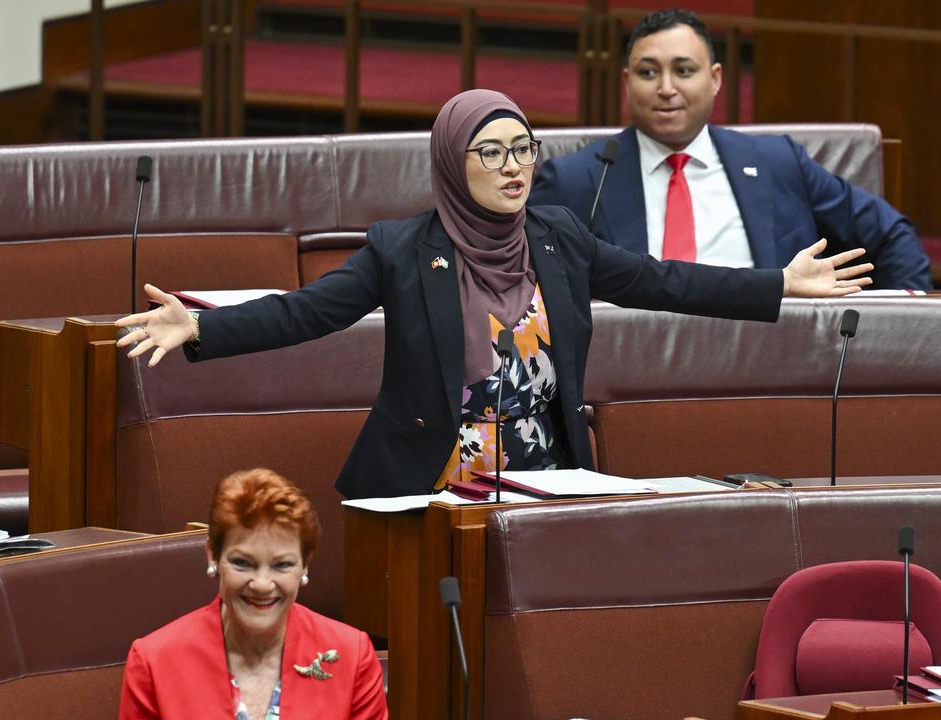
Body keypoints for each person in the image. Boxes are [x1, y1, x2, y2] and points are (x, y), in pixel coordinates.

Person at [115, 89, 871, 499]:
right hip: (432, 486)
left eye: (523, 149)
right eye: (491, 152)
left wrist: (777, 284)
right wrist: (202, 329)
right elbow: (307, 312)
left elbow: (662, 280)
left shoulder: (558, 238)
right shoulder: (404, 249)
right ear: (453, 162)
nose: (514, 167)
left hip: (545, 478)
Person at [529, 8, 931, 291]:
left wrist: (905, 326)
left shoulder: (778, 163)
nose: (666, 88)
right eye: (649, 72)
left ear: (716, 78)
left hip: (772, 368)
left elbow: (889, 233)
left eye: (684, 71)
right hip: (633, 379)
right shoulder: (578, 179)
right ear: (626, 81)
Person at [119, 468, 387, 719]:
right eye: (243, 563)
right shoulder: (155, 662)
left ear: (305, 564)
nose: (261, 584)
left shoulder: (352, 656)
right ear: (213, 556)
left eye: (282, 565)